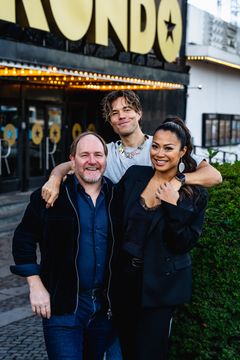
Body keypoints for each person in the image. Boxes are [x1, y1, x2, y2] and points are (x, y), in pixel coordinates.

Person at [10, 132, 116, 360]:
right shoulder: (50, 196)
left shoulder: (118, 197)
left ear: (106, 160)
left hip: (104, 309)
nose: (91, 160)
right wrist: (35, 285)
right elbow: (23, 239)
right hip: (62, 305)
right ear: (72, 159)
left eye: (98, 154)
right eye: (84, 155)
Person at [109, 118, 208, 360]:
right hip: (125, 283)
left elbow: (183, 243)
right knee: (129, 351)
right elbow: (112, 221)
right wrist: (57, 175)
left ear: (183, 151)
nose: (159, 153)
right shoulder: (134, 176)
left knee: (150, 353)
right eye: (156, 146)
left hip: (161, 288)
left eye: (168, 148)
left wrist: (174, 207)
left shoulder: (194, 193)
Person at [41, 90, 222, 207]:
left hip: (159, 233)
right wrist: (54, 179)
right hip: (121, 235)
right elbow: (69, 165)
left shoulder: (160, 148)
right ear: (110, 120)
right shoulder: (105, 152)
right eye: (115, 113)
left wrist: (179, 180)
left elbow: (214, 176)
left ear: (138, 113)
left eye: (127, 109)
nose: (122, 116)